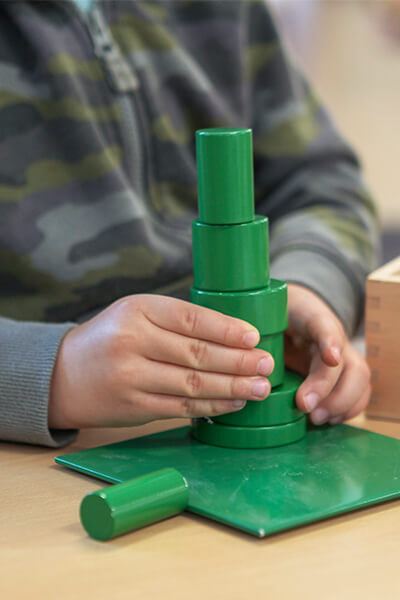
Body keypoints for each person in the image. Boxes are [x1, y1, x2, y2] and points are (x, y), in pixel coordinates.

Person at [0, 0, 378, 448]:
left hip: (252, 411)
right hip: (40, 451)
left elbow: (324, 184)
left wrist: (304, 288)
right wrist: (49, 371)